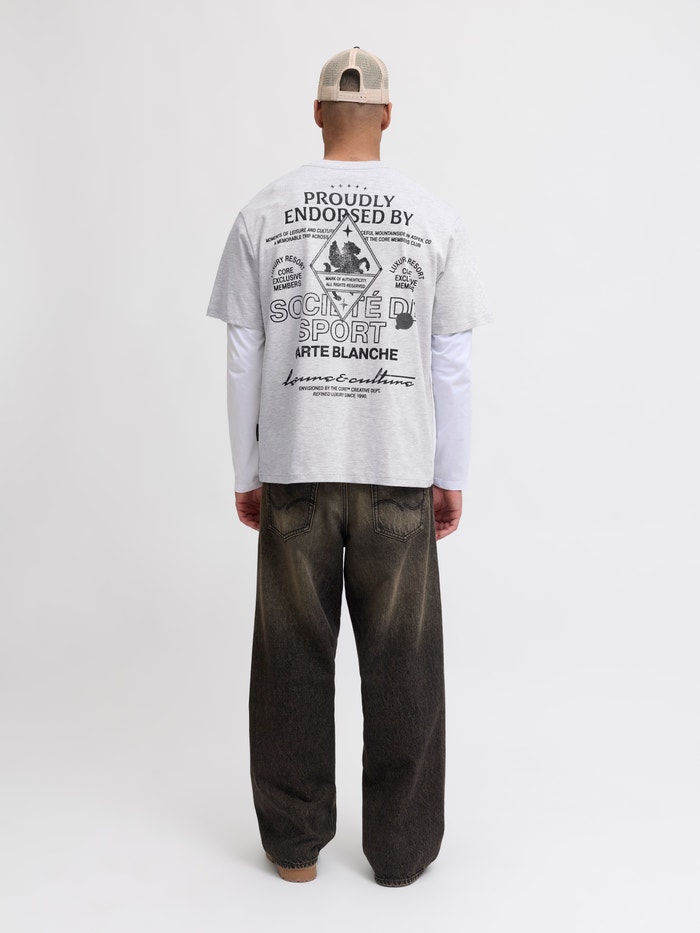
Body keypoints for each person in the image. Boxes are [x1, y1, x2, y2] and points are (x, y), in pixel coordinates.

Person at [206, 47, 494, 887]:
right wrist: (449, 471)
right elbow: (452, 362)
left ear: (317, 112)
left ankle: (295, 848)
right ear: (388, 116)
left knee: (291, 656)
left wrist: (248, 468)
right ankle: (401, 855)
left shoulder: (264, 212)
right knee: (404, 659)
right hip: (396, 466)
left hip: (296, 464)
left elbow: (243, 356)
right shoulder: (434, 217)